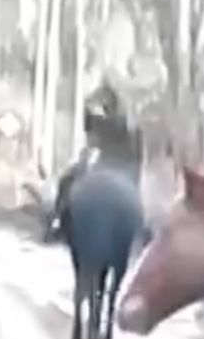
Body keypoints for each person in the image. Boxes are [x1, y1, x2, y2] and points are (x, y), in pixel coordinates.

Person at [47, 82, 139, 243]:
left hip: (116, 165)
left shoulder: (122, 123)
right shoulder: (99, 120)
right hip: (106, 163)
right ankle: (59, 221)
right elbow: (91, 142)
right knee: (67, 180)